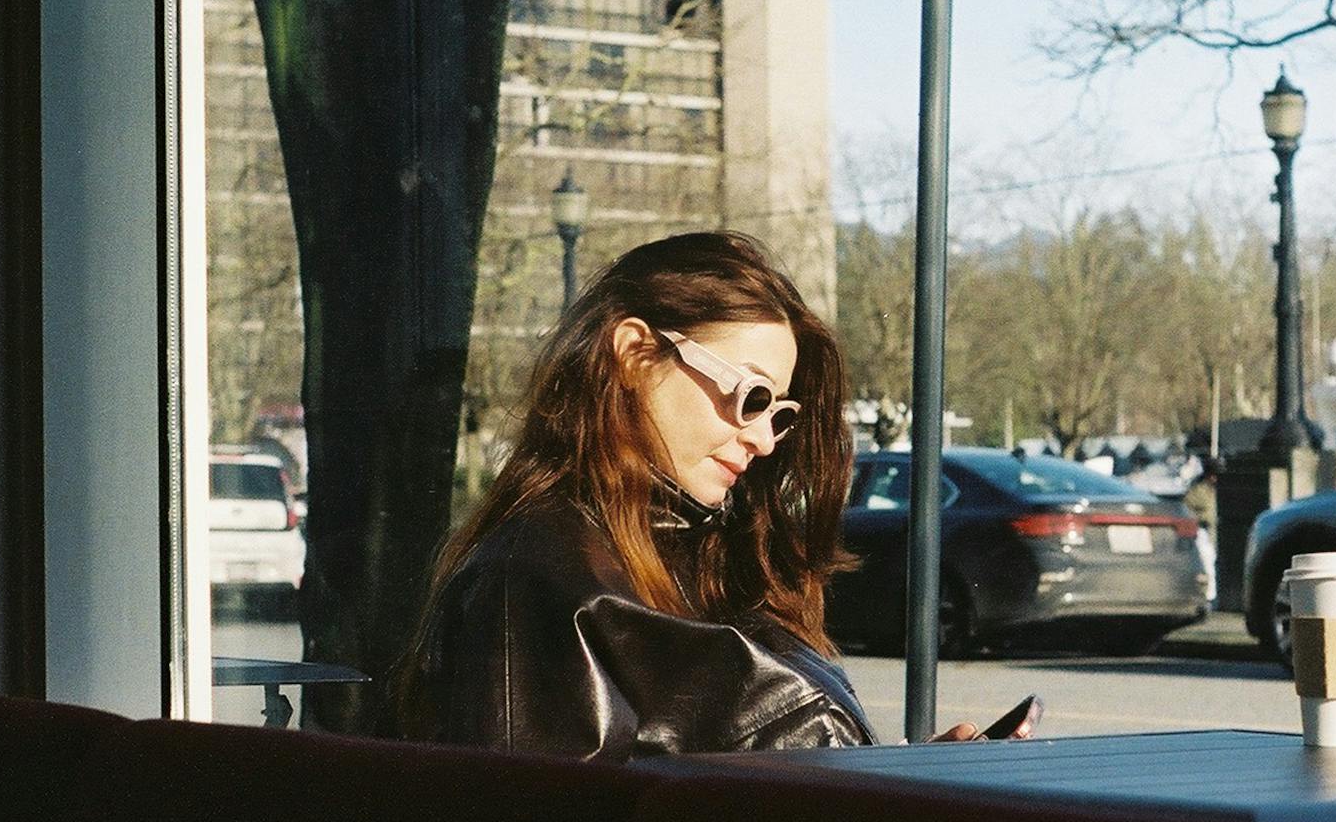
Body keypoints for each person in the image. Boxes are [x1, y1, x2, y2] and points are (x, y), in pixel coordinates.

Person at [384, 232, 1012, 759]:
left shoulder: (710, 556)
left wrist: (900, 776)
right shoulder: (534, 581)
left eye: (780, 412)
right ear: (634, 354)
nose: (764, 439)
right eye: (752, 397)